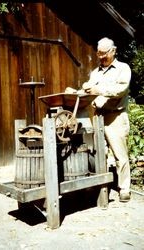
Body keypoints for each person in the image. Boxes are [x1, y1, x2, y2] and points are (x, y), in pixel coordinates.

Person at [82, 37, 132, 202]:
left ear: (113, 51)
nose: (102, 57)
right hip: (98, 116)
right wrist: (81, 90)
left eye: (105, 53)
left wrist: (98, 89)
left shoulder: (123, 68)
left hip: (116, 116)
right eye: (99, 53)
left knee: (120, 155)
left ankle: (124, 188)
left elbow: (120, 89)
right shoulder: (95, 72)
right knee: (98, 153)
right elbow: (90, 89)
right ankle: (100, 186)